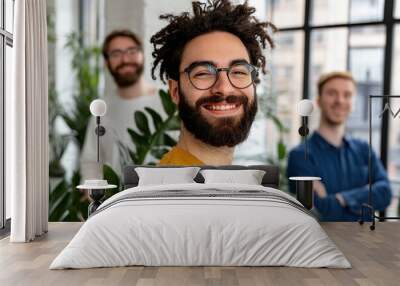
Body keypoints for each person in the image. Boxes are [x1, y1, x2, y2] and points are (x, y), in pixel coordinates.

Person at [150, 0, 275, 166]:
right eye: (203, 74)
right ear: (175, 92)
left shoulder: (228, 184)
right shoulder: (169, 189)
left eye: (239, 72)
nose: (224, 88)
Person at [287, 71, 392, 221]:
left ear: (353, 103)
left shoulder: (364, 150)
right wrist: (365, 193)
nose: (340, 100)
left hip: (366, 242)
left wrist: (341, 198)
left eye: (347, 95)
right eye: (332, 93)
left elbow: (385, 193)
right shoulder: (300, 156)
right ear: (318, 101)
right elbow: (320, 211)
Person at [80, 30, 163, 180]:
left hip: (162, 197)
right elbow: (91, 161)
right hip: (116, 200)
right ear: (107, 63)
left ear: (142, 55)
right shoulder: (101, 109)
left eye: (131, 51)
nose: (125, 59)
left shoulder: (167, 102)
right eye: (116, 54)